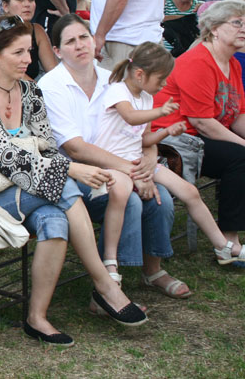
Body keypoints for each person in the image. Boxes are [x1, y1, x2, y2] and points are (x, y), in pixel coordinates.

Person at [0, 17, 148, 347]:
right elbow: (6, 158)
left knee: (55, 220)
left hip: (27, 187)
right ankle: (105, 285)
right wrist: (71, 170)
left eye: (29, 51)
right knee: (66, 187)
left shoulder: (30, 91)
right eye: (18, 53)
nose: (28, 60)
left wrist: (63, 167)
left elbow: (48, 147)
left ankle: (36, 318)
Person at [38, 15, 187, 299]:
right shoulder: (51, 86)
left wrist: (149, 158)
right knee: (129, 199)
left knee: (161, 198)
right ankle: (109, 285)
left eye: (84, 37)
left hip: (124, 164)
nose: (80, 45)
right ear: (57, 51)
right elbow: (76, 148)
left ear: (94, 40)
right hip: (76, 172)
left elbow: (141, 130)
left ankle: (153, 270)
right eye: (70, 41)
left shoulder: (113, 79)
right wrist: (133, 171)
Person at [98, 43, 245, 272]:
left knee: (190, 192)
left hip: (137, 159)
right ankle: (110, 260)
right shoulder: (118, 91)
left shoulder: (146, 97)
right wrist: (160, 112)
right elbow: (130, 117)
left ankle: (223, 246)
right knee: (123, 197)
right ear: (140, 74)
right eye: (161, 79)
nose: (165, 84)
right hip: (114, 162)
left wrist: (166, 131)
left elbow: (145, 139)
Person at [153, 0, 245, 265]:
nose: (243, 28)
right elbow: (202, 121)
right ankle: (228, 241)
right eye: (236, 23)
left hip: (201, 135)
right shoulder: (198, 61)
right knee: (239, 158)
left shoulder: (233, 64)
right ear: (214, 29)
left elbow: (238, 115)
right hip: (173, 139)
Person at [0, 0, 58, 80]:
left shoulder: (37, 31)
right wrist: (37, 88)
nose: (27, 4)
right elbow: (12, 73)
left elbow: (53, 71)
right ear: (5, 6)